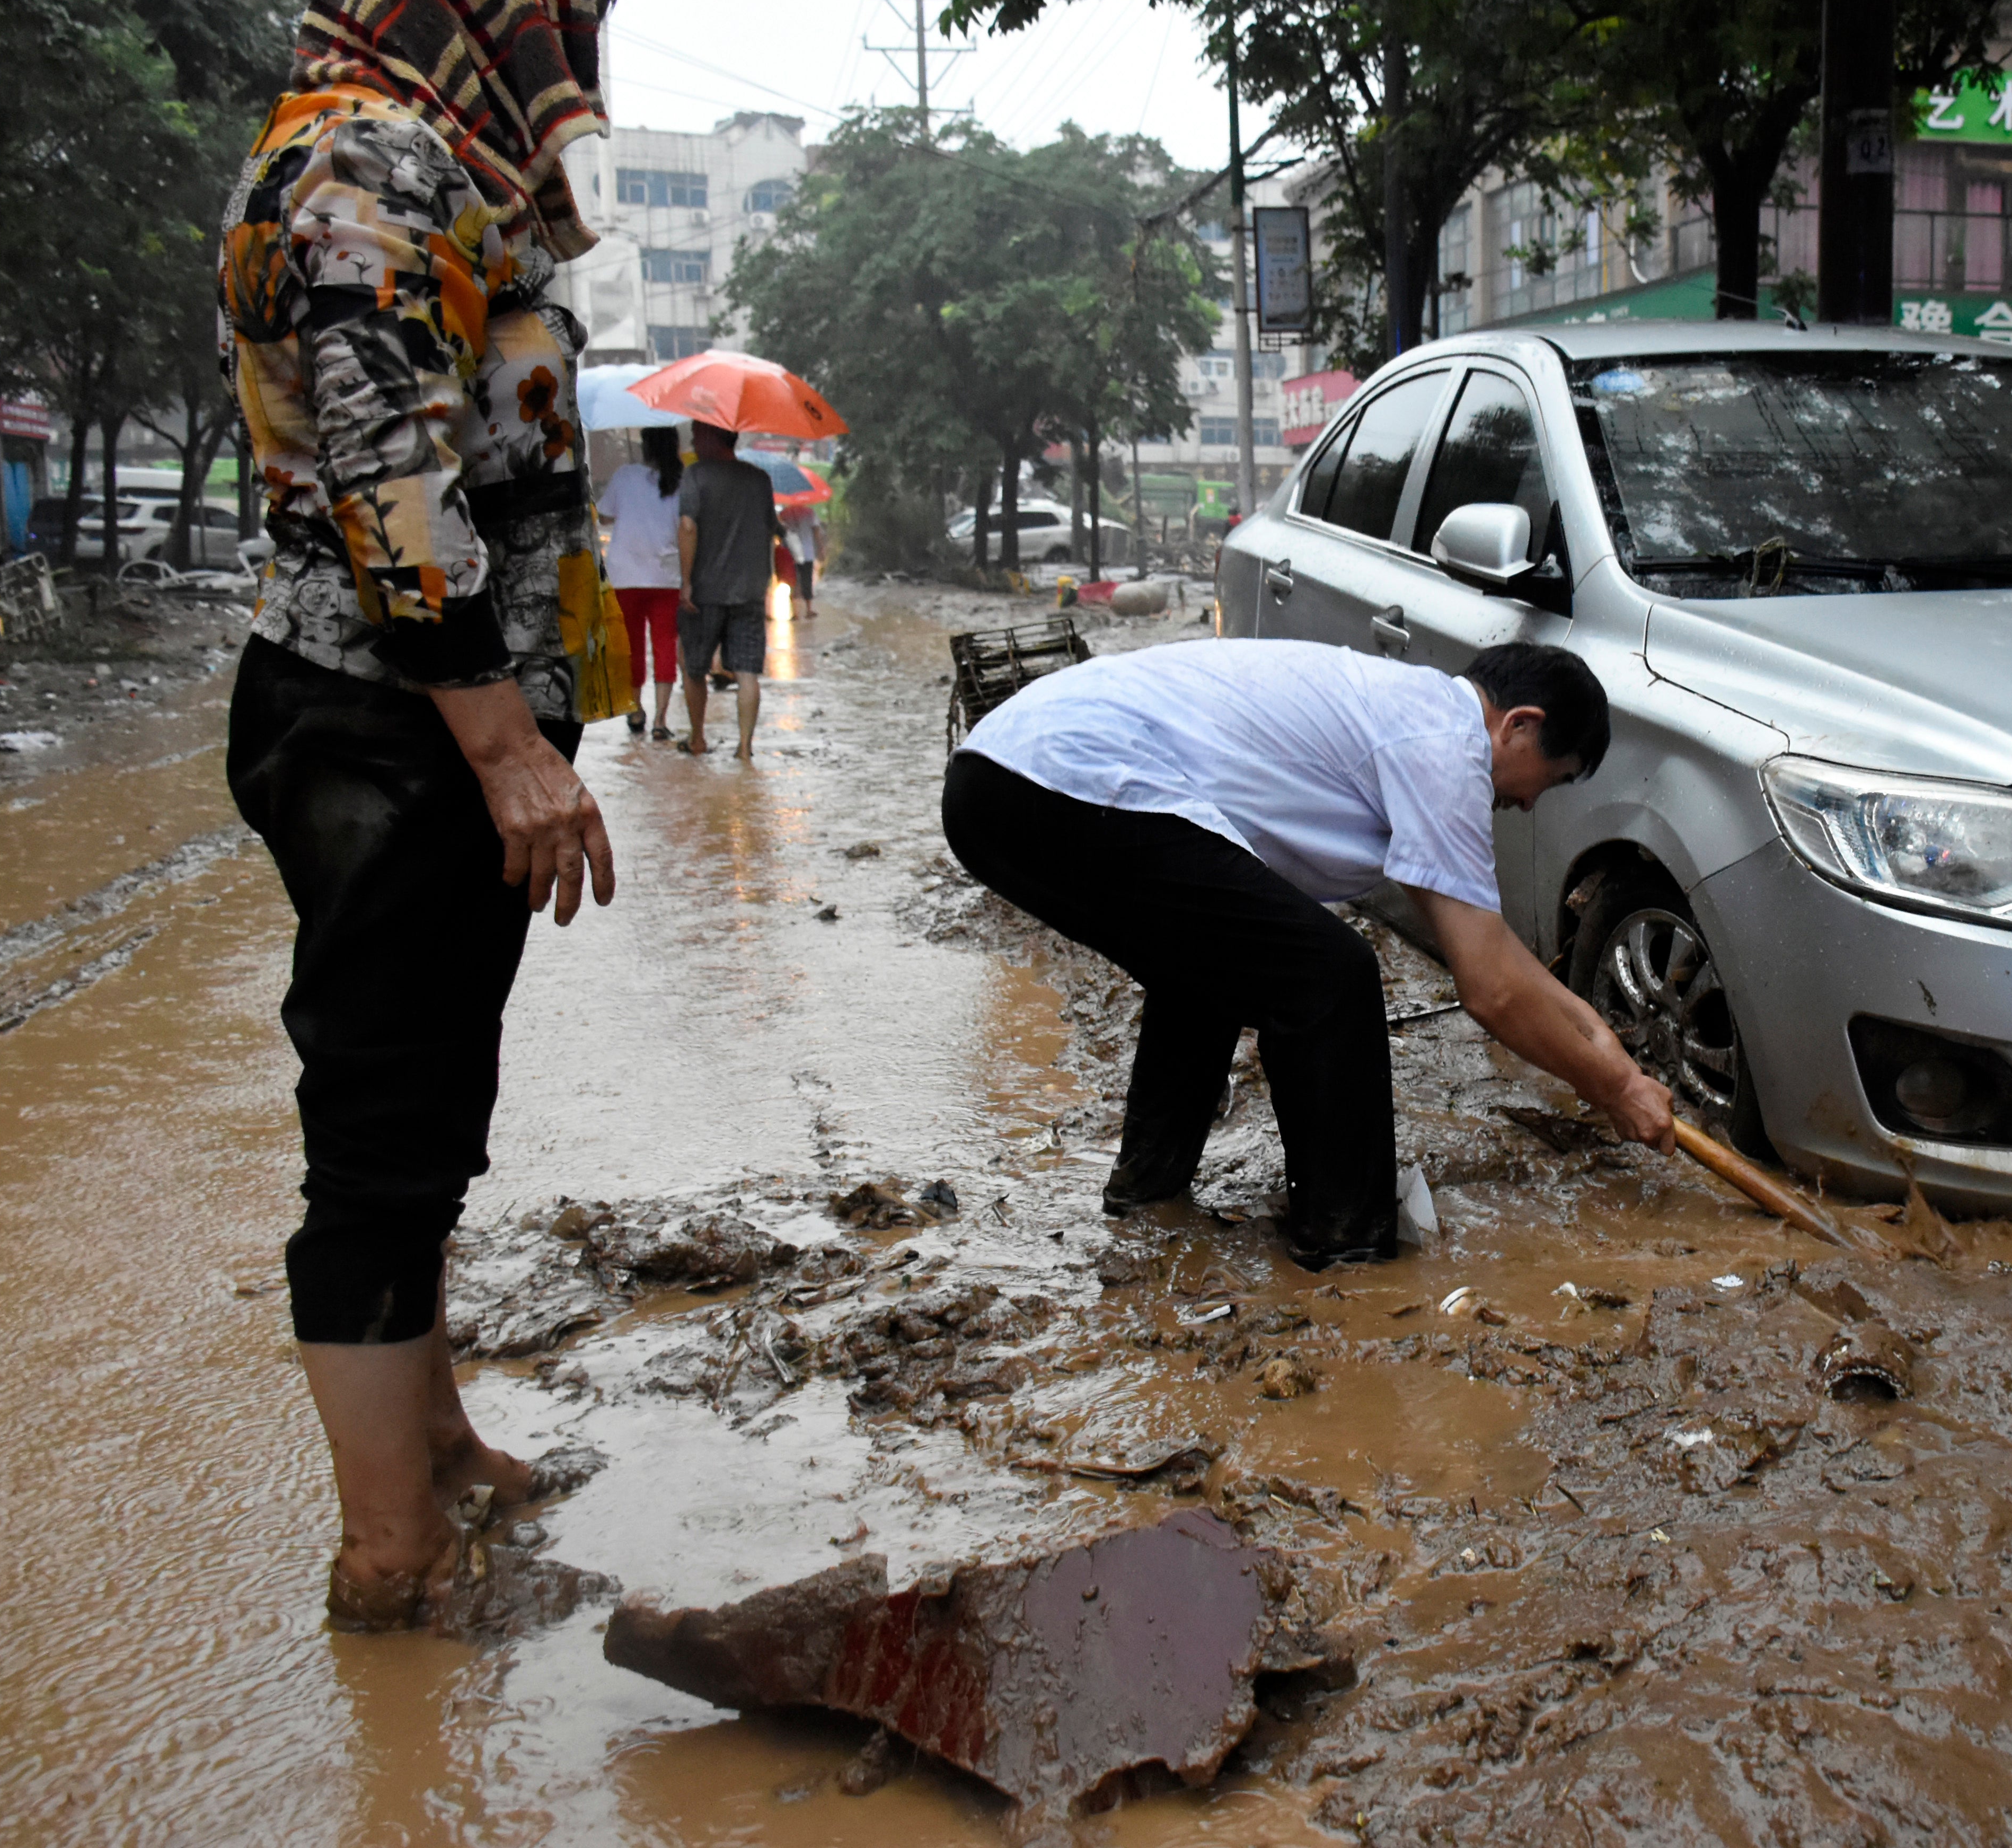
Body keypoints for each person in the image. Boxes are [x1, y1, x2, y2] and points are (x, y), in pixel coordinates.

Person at [217, 0, 621, 1630]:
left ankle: (438, 1442)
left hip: (441, 728)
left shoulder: (446, 174)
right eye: (558, 5)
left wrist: (528, 724)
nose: (573, 47)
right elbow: (385, 470)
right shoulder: (359, 166)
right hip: (389, 732)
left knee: (436, 1097)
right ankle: (385, 1559)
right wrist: (505, 748)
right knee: (380, 1130)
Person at [941, 638, 1675, 1270]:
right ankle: (1345, 1251)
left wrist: (1604, 1053)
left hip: (997, 781)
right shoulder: (1444, 746)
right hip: (1063, 779)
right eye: (1548, 782)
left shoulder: (1407, 713)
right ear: (1520, 726)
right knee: (1331, 977)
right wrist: (1613, 1090)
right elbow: (1491, 991)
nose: (1526, 805)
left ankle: (1148, 1198)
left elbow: (1496, 956)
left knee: (1213, 970)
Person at [675, 419, 776, 759]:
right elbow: (769, 529)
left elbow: (688, 527)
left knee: (695, 667)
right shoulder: (760, 479)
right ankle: (746, 748)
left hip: (704, 591)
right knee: (748, 671)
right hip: (749, 590)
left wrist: (687, 582)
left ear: (710, 436)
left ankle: (698, 738)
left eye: (696, 434)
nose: (692, 440)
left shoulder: (695, 476)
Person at [597, 428, 685, 739]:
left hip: (626, 577)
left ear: (645, 447)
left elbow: (604, 516)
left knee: (633, 647)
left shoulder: (625, 476)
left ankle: (636, 710)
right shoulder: (682, 480)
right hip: (668, 577)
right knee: (665, 647)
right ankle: (661, 720)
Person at [780, 494, 823, 616]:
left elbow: (780, 532)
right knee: (807, 581)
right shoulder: (810, 512)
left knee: (792, 581)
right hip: (807, 552)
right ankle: (809, 610)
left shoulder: (784, 514)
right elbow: (816, 531)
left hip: (790, 553)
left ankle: (795, 613)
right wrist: (821, 549)